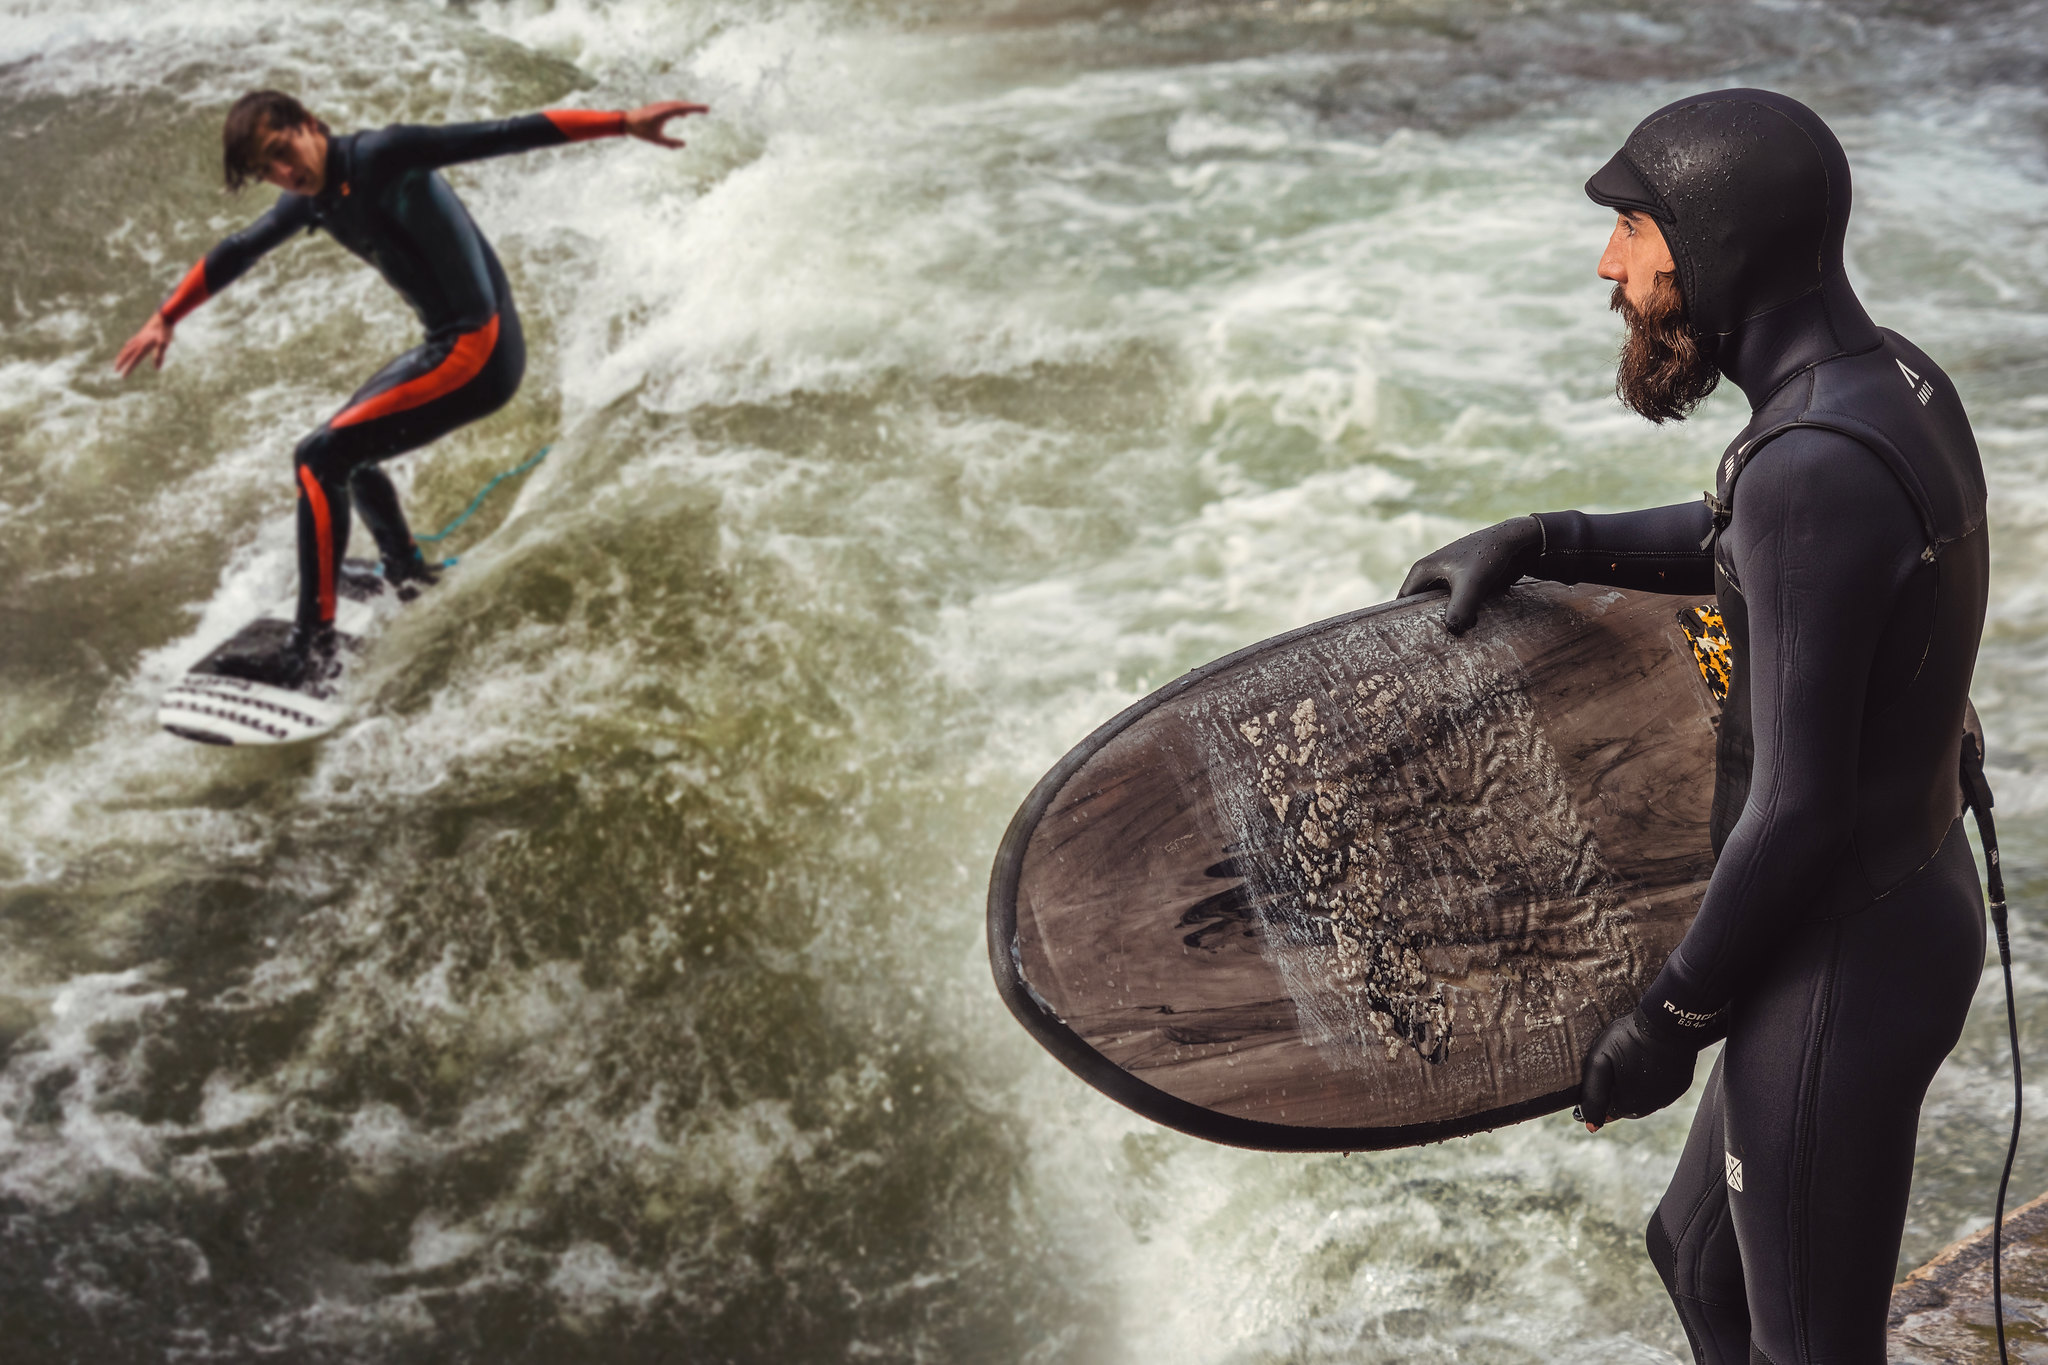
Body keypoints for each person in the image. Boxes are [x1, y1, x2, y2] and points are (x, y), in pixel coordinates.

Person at [1397, 90, 1989, 1364]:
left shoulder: (1808, 465)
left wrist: (1667, 1022)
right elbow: (1759, 542)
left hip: (1838, 960)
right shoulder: (1887, 383)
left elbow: (1794, 810)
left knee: (1806, 1347)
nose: (1609, 266)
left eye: (1633, 230)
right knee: (1699, 1267)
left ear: (1718, 243)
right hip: (1889, 907)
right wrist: (1545, 540)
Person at [115, 89, 708, 685]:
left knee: (318, 458)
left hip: (479, 350)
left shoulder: (385, 154)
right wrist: (167, 315)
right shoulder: (313, 200)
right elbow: (239, 249)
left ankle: (311, 651)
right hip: (448, 345)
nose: (283, 174)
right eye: (265, 169)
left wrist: (625, 123)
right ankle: (405, 572)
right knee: (345, 455)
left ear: (310, 123)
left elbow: (506, 132)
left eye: (281, 150)